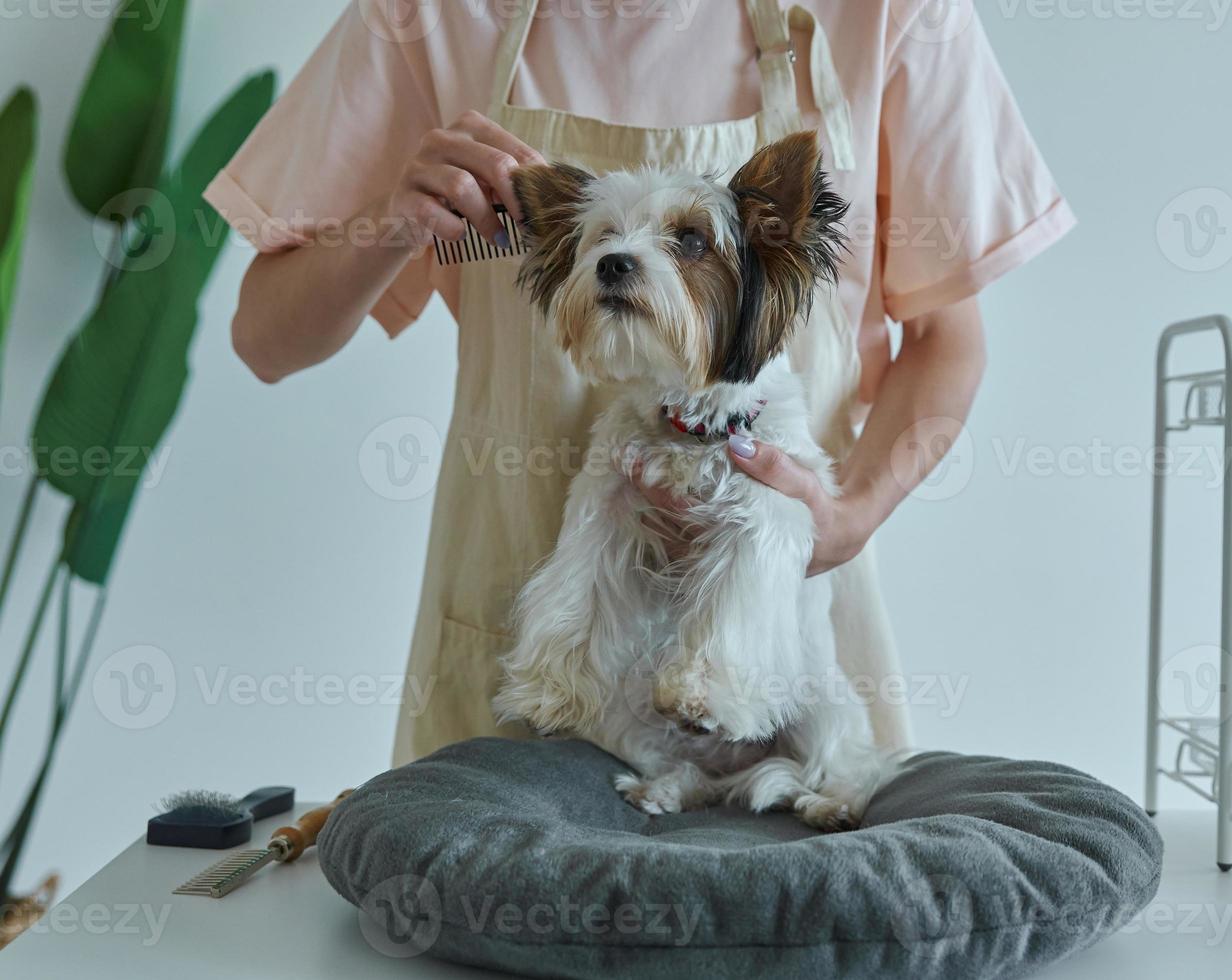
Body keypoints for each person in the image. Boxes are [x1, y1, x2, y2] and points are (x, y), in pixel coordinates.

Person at [205, 0, 1075, 766]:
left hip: (777, 637)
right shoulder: (427, 15)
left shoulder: (891, 10)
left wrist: (845, 520)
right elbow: (265, 338)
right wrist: (394, 222)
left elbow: (947, 339)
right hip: (515, 651)